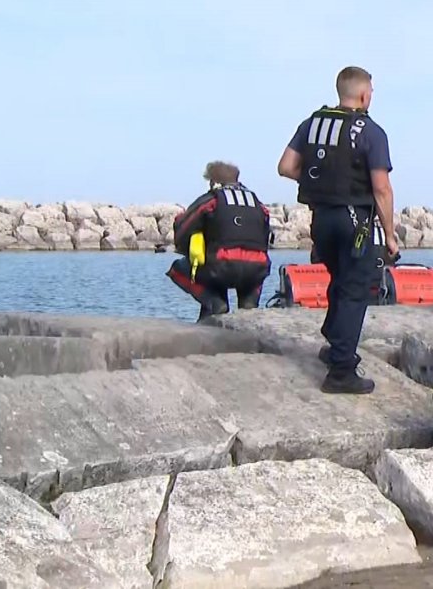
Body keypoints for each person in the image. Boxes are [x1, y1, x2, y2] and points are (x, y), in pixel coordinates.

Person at [277, 65, 398, 394]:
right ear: (362, 95)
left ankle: (334, 344)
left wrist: (320, 182)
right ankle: (342, 371)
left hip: (321, 220)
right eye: (371, 91)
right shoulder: (372, 132)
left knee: (341, 278)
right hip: (354, 220)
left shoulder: (312, 123)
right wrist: (389, 233)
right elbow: (382, 188)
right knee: (356, 287)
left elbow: (286, 166)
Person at [167, 161, 271, 322]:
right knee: (253, 269)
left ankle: (216, 304)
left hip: (222, 267)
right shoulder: (258, 203)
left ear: (213, 181)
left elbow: (182, 229)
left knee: (179, 269)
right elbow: (267, 236)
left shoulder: (211, 200)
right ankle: (249, 307)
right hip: (256, 269)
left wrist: (187, 247)